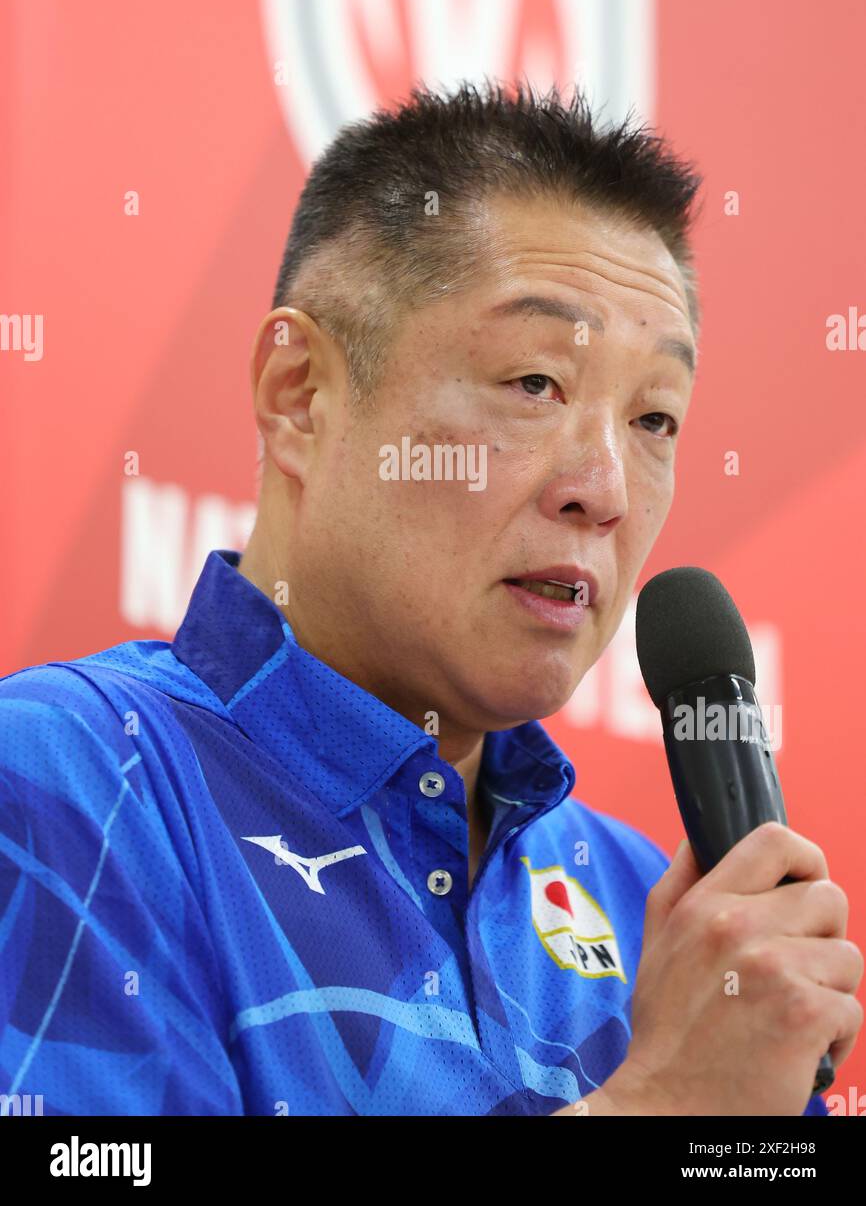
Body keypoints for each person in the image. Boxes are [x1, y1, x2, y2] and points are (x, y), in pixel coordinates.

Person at [0, 83, 859, 1116]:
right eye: (534, 382)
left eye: (654, 418)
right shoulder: (70, 782)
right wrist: (660, 1105)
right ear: (299, 394)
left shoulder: (653, 911)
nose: (604, 487)